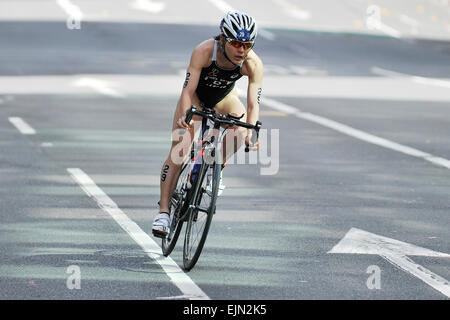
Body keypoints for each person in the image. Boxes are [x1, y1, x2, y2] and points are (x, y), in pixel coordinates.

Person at [152, 11, 264, 238]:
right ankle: (163, 212)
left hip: (223, 98)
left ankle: (216, 169)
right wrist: (186, 114)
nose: (241, 50)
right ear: (222, 39)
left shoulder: (253, 63)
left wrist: (249, 132)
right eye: (235, 43)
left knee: (241, 126)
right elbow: (187, 90)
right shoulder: (204, 51)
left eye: (247, 44)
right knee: (179, 151)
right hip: (195, 98)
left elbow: (253, 105)